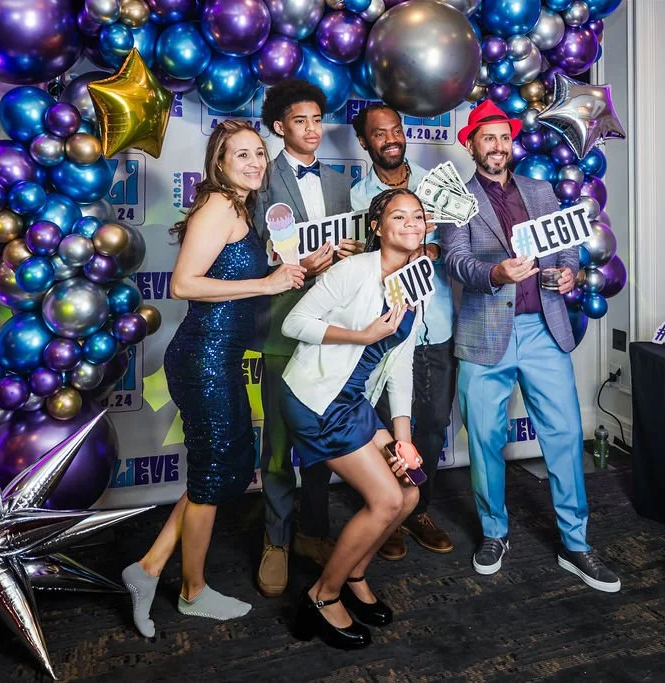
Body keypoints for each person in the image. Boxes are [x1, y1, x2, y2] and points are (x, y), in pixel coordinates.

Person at [121, 121, 306, 638]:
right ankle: (192, 592)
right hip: (202, 359)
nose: (253, 163)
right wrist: (265, 281)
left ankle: (150, 567)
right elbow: (183, 284)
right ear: (219, 163)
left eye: (258, 154)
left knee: (222, 470)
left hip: (220, 359)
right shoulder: (219, 206)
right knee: (212, 478)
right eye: (240, 155)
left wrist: (292, 271)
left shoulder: (240, 207)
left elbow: (238, 282)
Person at [442, 100, 621, 592]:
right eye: (488, 137)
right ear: (472, 143)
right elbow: (456, 261)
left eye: (504, 137)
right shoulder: (457, 198)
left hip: (544, 328)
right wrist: (494, 272)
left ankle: (576, 543)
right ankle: (494, 533)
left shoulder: (539, 190)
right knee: (483, 442)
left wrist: (566, 272)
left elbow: (563, 243)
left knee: (564, 435)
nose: (498, 146)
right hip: (485, 334)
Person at [282, 188, 427, 649]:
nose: (410, 223)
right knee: (386, 499)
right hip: (317, 399)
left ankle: (355, 575)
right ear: (377, 228)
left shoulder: (413, 288)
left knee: (408, 491)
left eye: (418, 216)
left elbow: (400, 368)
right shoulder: (352, 271)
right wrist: (362, 336)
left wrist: (403, 440)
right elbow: (295, 323)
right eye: (398, 216)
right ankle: (321, 597)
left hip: (353, 403)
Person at [252, 78, 364, 598]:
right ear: (280, 127)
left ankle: (313, 533)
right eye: (301, 121)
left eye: (318, 120)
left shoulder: (340, 180)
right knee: (278, 443)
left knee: (321, 442)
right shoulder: (260, 179)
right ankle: (275, 539)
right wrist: (299, 264)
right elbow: (255, 252)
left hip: (331, 330)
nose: (313, 129)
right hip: (281, 328)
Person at [350, 104, 455, 560]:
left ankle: (417, 510)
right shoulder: (358, 199)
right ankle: (385, 509)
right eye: (379, 133)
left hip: (437, 327)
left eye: (396, 130)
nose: (391, 138)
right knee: (380, 426)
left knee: (430, 427)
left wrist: (435, 245)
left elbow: (464, 246)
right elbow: (360, 269)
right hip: (388, 331)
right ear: (364, 142)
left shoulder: (439, 186)